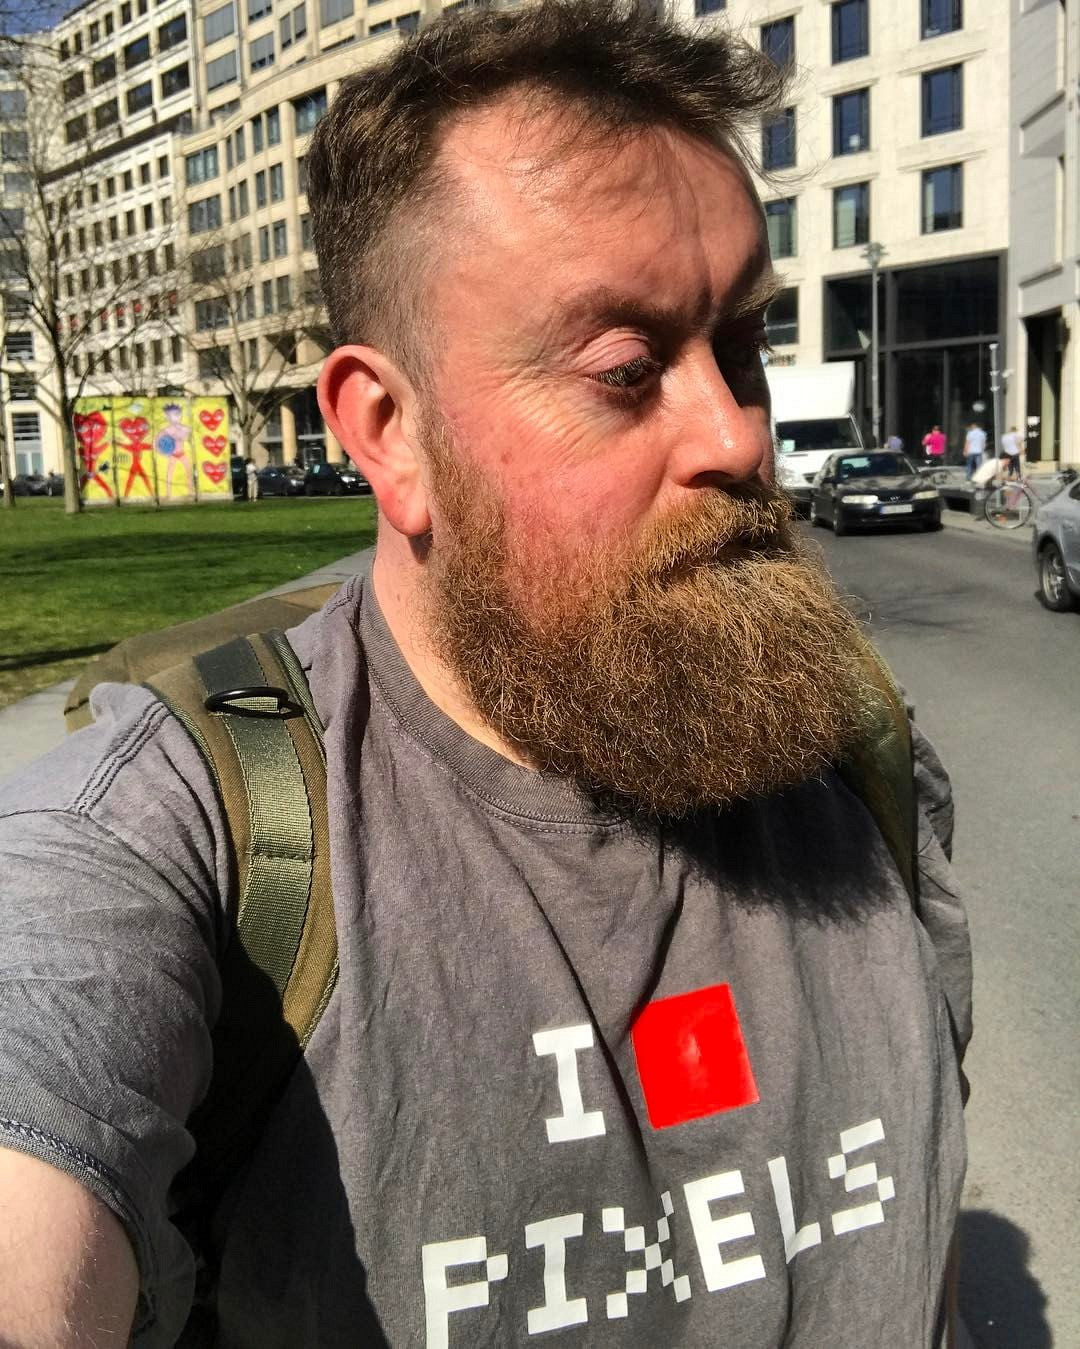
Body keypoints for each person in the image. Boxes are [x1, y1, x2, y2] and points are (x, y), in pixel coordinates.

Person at [0, 4, 971, 1346]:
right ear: (389, 432)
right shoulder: (181, 835)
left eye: (742, 344)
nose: (738, 436)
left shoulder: (854, 750)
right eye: (627, 369)